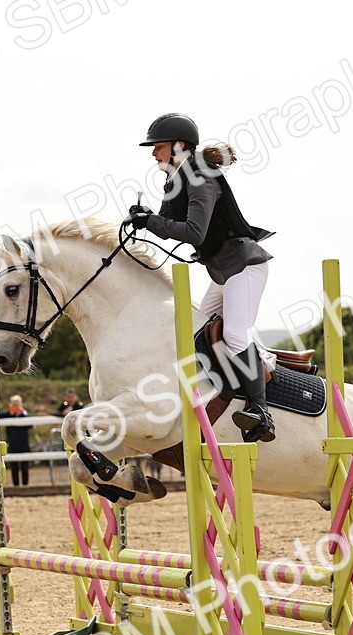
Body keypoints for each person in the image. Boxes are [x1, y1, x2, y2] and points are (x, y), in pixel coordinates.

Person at [129, 112, 277, 443]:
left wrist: (151, 221)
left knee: (235, 334)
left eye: (158, 146)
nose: (154, 153)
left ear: (179, 146)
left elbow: (194, 232)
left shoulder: (199, 177)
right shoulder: (175, 180)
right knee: (197, 328)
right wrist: (144, 218)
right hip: (225, 272)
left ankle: (261, 411)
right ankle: (232, 380)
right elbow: (167, 223)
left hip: (245, 266)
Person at [0, 395, 32, 487]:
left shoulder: (25, 414)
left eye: (17, 404)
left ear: (21, 404)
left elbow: (30, 424)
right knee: (14, 466)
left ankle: (25, 484)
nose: (16, 406)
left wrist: (21, 414)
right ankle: (15, 485)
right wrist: (10, 412)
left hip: (24, 443)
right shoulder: (8, 414)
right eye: (14, 404)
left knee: (25, 465)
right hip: (12, 443)